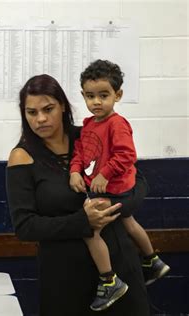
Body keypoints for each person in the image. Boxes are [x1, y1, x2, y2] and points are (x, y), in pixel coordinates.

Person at [6, 73, 151, 315]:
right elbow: (25, 227)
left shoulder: (89, 133)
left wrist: (117, 205)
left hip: (120, 267)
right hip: (66, 277)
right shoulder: (22, 156)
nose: (41, 119)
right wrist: (83, 222)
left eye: (48, 109)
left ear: (62, 106)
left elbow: (139, 181)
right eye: (31, 112)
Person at [69, 59, 170, 311]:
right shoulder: (90, 125)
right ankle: (153, 261)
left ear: (118, 95)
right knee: (129, 221)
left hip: (115, 188)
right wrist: (74, 171)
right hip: (108, 188)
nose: (96, 102)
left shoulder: (117, 123)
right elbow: (81, 152)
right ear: (83, 95)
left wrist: (103, 173)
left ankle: (109, 280)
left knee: (89, 231)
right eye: (90, 96)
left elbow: (127, 155)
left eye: (104, 95)